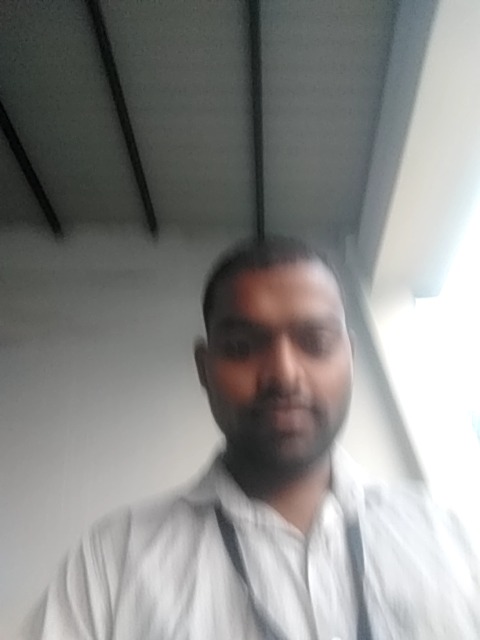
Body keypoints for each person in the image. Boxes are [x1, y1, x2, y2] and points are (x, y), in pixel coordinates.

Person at [20, 237, 479, 639]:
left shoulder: (450, 538)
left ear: (350, 358)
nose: (283, 374)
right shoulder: (115, 558)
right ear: (204, 369)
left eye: (316, 343)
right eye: (242, 347)